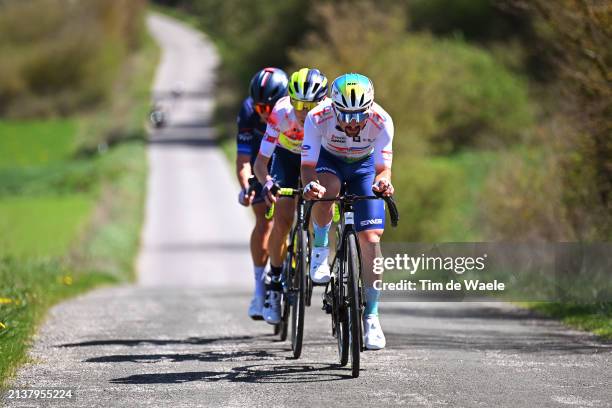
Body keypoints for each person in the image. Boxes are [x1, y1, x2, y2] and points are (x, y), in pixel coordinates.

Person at [301, 73, 394, 350]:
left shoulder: (382, 121)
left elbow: (382, 169)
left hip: (364, 166)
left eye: (359, 116)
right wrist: (310, 187)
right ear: (333, 107)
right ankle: (319, 248)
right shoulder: (317, 117)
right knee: (326, 191)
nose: (352, 124)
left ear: (370, 108)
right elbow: (307, 166)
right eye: (345, 116)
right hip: (329, 162)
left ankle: (372, 316)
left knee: (372, 239)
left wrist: (383, 183)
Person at [253, 67, 328, 324]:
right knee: (283, 221)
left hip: (317, 159)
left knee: (321, 209)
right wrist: (268, 183)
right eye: (298, 103)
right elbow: (260, 162)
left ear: (323, 102)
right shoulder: (282, 112)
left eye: (310, 105)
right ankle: (274, 284)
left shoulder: (330, 114)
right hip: (286, 158)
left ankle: (314, 256)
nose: (303, 111)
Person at [236, 67, 288, 320]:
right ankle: (259, 290)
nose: (263, 114)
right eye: (259, 109)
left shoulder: (293, 111)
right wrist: (247, 186)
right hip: (261, 159)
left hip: (290, 155)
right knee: (264, 222)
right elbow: (244, 160)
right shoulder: (248, 111)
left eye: (267, 108)